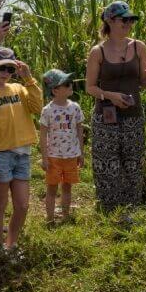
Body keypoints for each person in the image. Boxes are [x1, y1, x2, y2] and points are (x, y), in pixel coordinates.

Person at [85, 1, 146, 212]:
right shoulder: (97, 51)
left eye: (131, 19)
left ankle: (131, 206)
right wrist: (110, 96)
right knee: (107, 162)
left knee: (133, 161)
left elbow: (142, 85)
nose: (128, 23)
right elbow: (90, 87)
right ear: (109, 20)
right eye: (123, 19)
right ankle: (108, 207)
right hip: (105, 115)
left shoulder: (139, 46)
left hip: (133, 114)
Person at [0, 48, 42, 249]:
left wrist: (29, 79)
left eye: (10, 68)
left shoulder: (19, 89)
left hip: (23, 154)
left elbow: (37, 107)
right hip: (0, 156)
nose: (5, 73)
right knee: (0, 205)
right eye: (1, 68)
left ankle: (11, 245)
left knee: (22, 205)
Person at [39, 69, 85, 223]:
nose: (70, 85)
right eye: (66, 84)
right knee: (52, 188)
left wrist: (81, 153)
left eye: (69, 82)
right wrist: (44, 158)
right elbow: (43, 135)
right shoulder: (47, 111)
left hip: (71, 155)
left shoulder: (75, 108)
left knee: (67, 187)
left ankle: (65, 217)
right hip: (54, 157)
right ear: (55, 90)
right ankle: (50, 219)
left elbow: (79, 130)